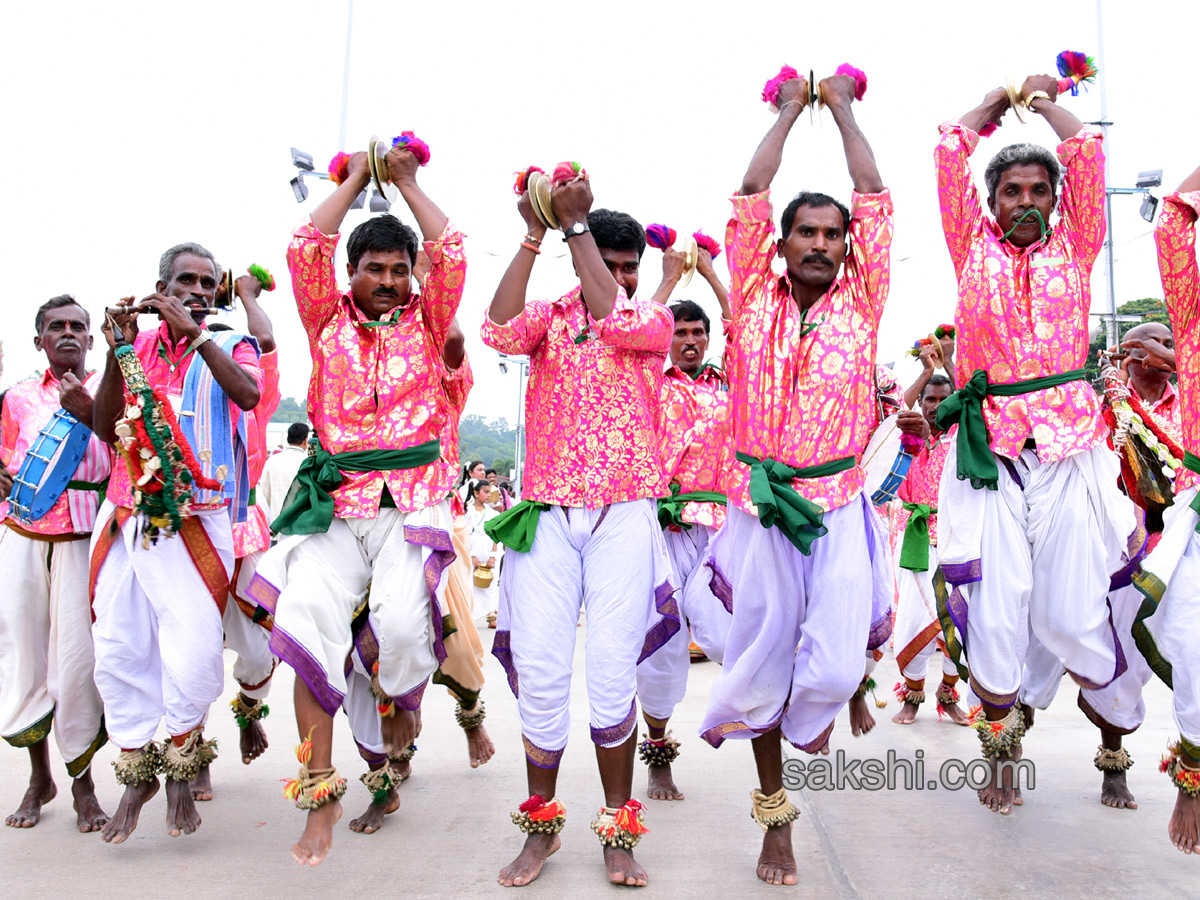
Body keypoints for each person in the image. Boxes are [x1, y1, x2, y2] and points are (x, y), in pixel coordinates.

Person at [699, 70, 893, 886]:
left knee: (835, 671)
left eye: (832, 235)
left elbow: (874, 192)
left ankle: (841, 684)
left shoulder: (866, 299)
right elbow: (750, 188)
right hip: (759, 507)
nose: (819, 244)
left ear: (847, 247)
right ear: (781, 245)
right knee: (764, 667)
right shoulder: (751, 293)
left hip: (841, 503)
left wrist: (842, 108)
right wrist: (786, 111)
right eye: (804, 234)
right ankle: (776, 818)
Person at [249, 143, 464, 866]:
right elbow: (304, 241)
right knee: (307, 627)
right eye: (373, 269)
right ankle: (319, 789)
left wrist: (405, 182)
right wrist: (351, 180)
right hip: (335, 503)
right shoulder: (325, 321)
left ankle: (405, 705)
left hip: (412, 501)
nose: (388, 280)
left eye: (400, 270)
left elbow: (450, 245)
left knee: (403, 630)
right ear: (351, 275)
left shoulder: (428, 322)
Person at [932, 76, 1136, 816]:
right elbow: (950, 153)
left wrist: (1044, 99)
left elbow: (1085, 153)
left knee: (1072, 610)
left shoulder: (1077, 250)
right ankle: (1001, 753)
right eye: (1010, 191)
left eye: (1036, 191)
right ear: (991, 204)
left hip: (1070, 447)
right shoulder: (971, 251)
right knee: (996, 605)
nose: (1024, 202)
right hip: (990, 454)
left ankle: (1108, 738)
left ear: (1055, 201)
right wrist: (991, 104)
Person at [483, 171, 676, 887]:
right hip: (549, 515)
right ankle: (541, 827)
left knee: (610, 677)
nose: (620, 277)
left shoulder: (649, 319)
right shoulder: (551, 318)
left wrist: (576, 228)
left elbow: (620, 319)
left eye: (630, 267)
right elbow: (497, 327)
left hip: (625, 513)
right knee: (541, 674)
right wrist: (537, 230)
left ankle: (617, 830)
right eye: (611, 264)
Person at [90, 243, 262, 843]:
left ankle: (183, 767)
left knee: (192, 656)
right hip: (129, 516)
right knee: (119, 647)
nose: (198, 290)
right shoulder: (135, 349)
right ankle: (138, 773)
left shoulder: (231, 342)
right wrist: (116, 350)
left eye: (207, 283)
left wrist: (198, 336)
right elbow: (103, 424)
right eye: (185, 280)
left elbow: (247, 395)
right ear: (159, 286)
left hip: (202, 522)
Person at [0, 295, 110, 831]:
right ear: (39, 339)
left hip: (83, 539)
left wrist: (89, 413)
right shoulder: (17, 397)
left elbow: (129, 457)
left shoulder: (109, 392)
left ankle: (83, 787)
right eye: (56, 327)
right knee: (26, 658)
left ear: (91, 340)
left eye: (78, 327)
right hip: (20, 535)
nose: (68, 334)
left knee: (76, 663)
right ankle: (39, 777)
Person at [634, 251, 736, 803]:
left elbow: (748, 329)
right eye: (680, 332)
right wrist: (670, 275)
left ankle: (750, 714)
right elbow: (638, 329)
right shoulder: (650, 378)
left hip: (719, 528)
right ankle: (658, 755)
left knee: (726, 634)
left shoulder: (732, 382)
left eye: (699, 332)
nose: (691, 340)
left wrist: (715, 276)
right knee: (662, 649)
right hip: (662, 526)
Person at [1135, 162, 1200, 853]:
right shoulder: (1194, 318)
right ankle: (1192, 781)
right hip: (1197, 512)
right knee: (1197, 654)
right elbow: (1175, 216)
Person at [216, 275, 281, 770]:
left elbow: (266, 343)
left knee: (260, 655)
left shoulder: (251, 399)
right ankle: (189, 759)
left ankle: (248, 710)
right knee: (188, 653)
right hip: (185, 536)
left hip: (243, 539)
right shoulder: (172, 395)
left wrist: (247, 298)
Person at [889, 338, 969, 726]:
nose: (935, 406)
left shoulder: (964, 437)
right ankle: (913, 696)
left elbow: (977, 403)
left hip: (958, 536)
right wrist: (924, 371)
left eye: (942, 399)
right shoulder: (909, 436)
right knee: (913, 618)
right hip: (916, 535)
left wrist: (950, 360)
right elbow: (896, 409)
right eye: (929, 399)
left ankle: (948, 692)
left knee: (960, 620)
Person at [467, 479, 501, 621]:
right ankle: (468, 615)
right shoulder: (467, 511)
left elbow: (495, 537)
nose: (488, 495)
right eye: (485, 492)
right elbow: (464, 534)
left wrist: (493, 556)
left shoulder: (493, 514)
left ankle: (491, 614)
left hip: (487, 550)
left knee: (490, 583)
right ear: (475, 493)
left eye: (489, 492)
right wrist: (472, 555)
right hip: (471, 549)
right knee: (470, 583)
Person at [259, 422, 309, 518]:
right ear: (305, 440)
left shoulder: (272, 460)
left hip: (276, 521)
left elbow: (264, 494)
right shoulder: (307, 462)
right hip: (300, 521)